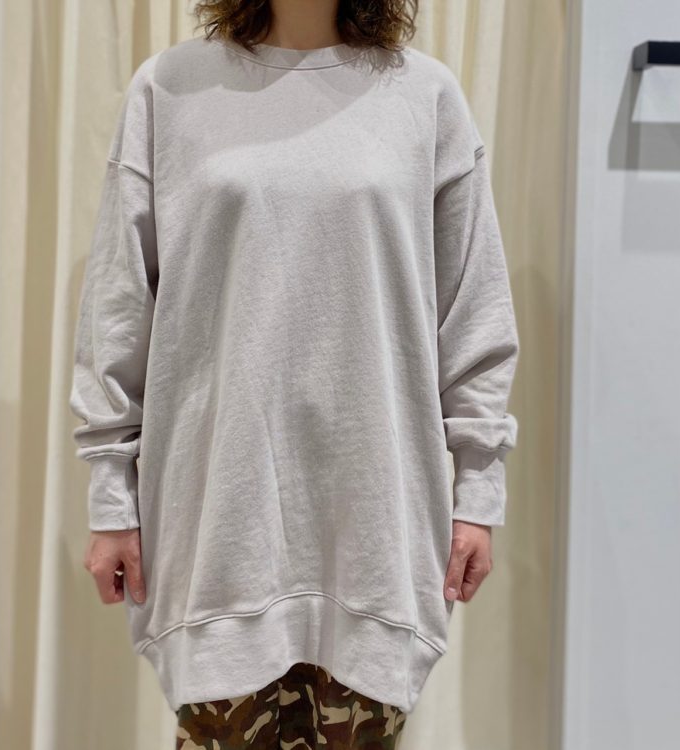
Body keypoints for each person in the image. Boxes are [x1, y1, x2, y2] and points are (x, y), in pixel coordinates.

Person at [69, 0, 520, 747]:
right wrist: (110, 498)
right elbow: (118, 311)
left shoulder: (424, 96)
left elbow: (473, 314)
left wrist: (478, 492)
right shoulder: (170, 90)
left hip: (373, 534)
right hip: (218, 530)